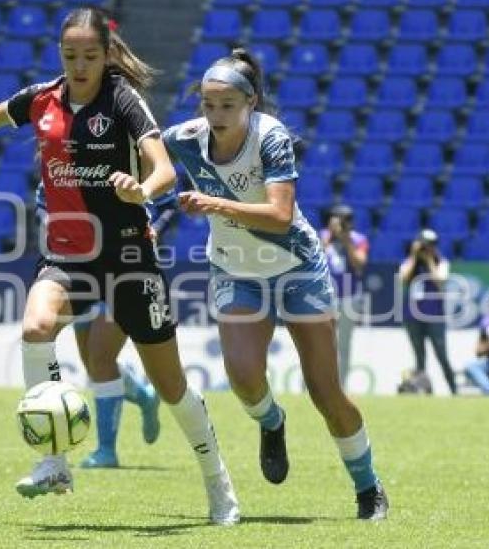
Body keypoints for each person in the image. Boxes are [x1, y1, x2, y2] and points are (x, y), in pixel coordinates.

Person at [0, 7, 239, 525]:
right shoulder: (42, 100)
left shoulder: (124, 101)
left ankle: (217, 483)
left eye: (90, 55)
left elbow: (163, 168)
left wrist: (142, 189)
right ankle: (53, 461)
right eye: (70, 56)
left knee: (172, 386)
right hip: (68, 256)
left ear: (108, 55)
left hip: (130, 257)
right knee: (35, 326)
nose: (80, 65)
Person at [162, 48, 389, 520]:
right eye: (208, 105)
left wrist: (213, 204)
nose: (216, 115)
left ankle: (368, 487)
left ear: (250, 104)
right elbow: (147, 154)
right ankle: (272, 422)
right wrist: (138, 191)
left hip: (296, 267)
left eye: (227, 106)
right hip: (234, 270)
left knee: (325, 392)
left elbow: (280, 216)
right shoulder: (184, 137)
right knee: (244, 378)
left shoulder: (271, 137)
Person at [36, 183, 176, 468]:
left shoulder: (121, 160)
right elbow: (44, 214)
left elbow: (168, 203)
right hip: (80, 272)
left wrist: (155, 229)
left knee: (101, 359)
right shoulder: (51, 175)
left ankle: (106, 451)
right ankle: (144, 395)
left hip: (124, 269)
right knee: (93, 364)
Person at [398, 229, 457, 395]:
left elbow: (440, 281)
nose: (428, 248)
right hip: (413, 316)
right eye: (425, 245)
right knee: (419, 357)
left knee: (441, 355)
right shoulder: (410, 263)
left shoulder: (441, 262)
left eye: (431, 245)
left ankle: (454, 389)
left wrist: (430, 261)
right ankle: (423, 389)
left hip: (434, 316)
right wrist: (414, 256)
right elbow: (403, 278)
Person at [319, 204, 369, 387]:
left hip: (349, 298)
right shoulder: (323, 236)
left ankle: (341, 385)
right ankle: (316, 383)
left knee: (344, 345)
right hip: (325, 298)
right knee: (320, 343)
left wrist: (347, 241)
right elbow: (314, 260)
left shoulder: (359, 239)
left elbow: (359, 264)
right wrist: (329, 238)